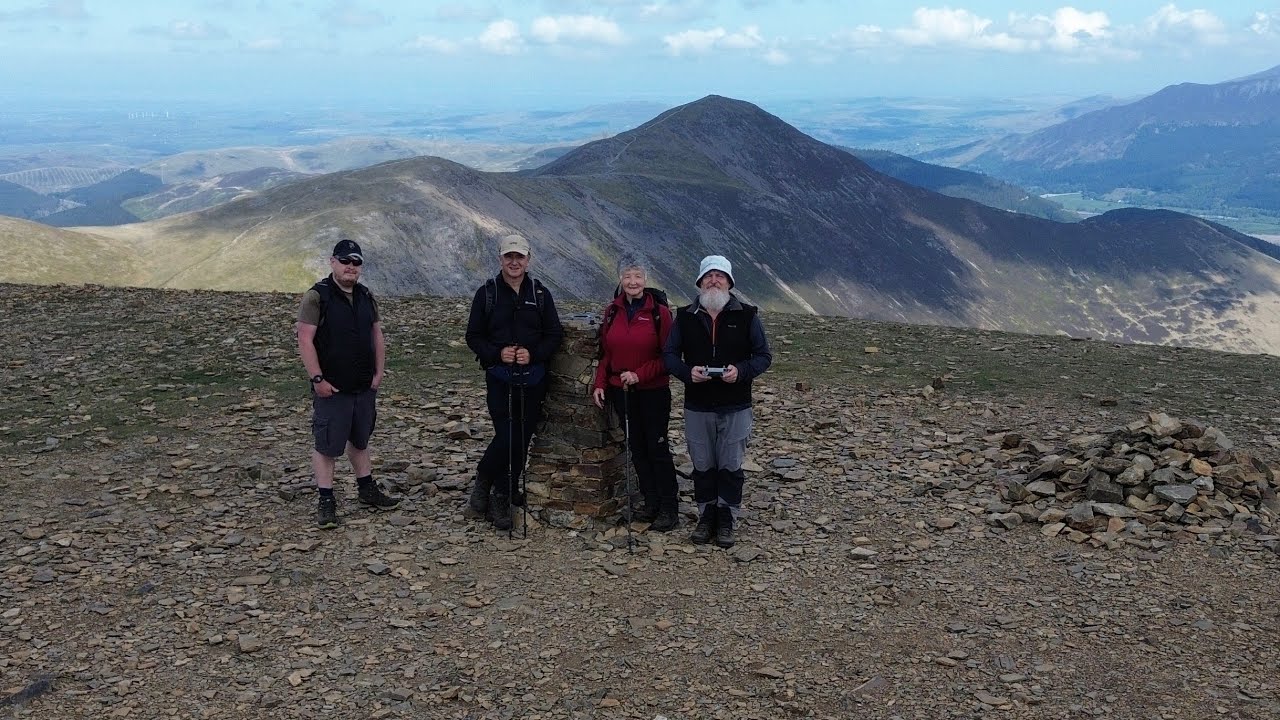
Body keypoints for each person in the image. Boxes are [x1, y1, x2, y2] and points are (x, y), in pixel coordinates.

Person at [663, 255, 772, 548]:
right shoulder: (684, 316)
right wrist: (688, 373)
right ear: (700, 282)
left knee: (730, 465)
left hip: (736, 404)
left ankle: (727, 518)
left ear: (729, 282)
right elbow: (669, 355)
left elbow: (763, 356)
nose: (714, 280)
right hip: (697, 404)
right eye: (708, 276)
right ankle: (706, 515)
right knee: (702, 464)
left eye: (720, 276)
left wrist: (740, 372)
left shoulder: (747, 315)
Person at [297, 238, 400, 529]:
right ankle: (326, 499)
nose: (350, 267)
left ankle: (366, 488)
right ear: (333, 262)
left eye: (356, 262)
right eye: (345, 261)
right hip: (332, 385)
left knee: (360, 438)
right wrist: (317, 378)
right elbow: (304, 338)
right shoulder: (317, 296)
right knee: (328, 444)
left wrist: (378, 374)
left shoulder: (366, 296)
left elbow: (376, 335)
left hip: (363, 385)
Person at [464, 234, 564, 531]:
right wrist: (497, 353)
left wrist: (533, 354)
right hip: (499, 377)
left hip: (532, 378)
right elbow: (473, 336)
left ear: (528, 260)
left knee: (522, 436)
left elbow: (554, 335)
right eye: (509, 256)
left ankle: (495, 490)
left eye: (519, 257)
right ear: (501, 259)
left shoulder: (541, 294)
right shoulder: (487, 293)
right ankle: (492, 486)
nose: (514, 262)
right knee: (508, 435)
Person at [592, 254, 679, 532]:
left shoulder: (659, 313)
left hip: (652, 392)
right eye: (627, 276)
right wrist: (600, 383)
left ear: (646, 280)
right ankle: (650, 502)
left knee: (657, 448)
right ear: (620, 278)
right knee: (638, 449)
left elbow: (669, 356)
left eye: (638, 276)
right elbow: (607, 353)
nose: (632, 282)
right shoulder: (612, 311)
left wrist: (639, 374)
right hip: (622, 392)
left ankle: (668, 508)